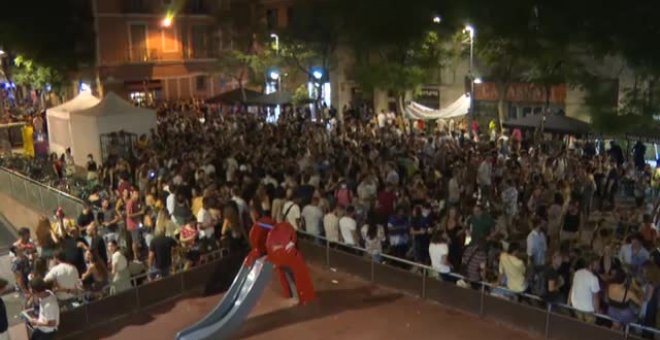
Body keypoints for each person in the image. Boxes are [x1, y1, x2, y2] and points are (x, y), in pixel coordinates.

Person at [568, 256, 601, 323]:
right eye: (597, 264)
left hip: (576, 308)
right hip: (588, 311)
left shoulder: (577, 273)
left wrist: (568, 303)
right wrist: (597, 312)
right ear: (591, 265)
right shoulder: (593, 278)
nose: (599, 266)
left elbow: (572, 289)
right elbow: (595, 298)